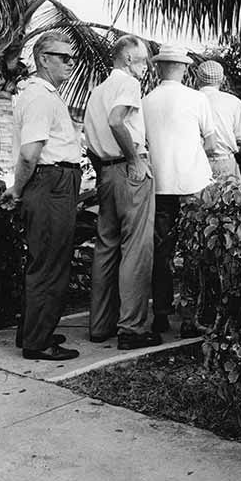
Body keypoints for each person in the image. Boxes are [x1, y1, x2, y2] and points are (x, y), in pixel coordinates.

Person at [0, 32, 82, 361]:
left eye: (71, 57)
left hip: (53, 182)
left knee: (44, 261)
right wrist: (17, 190)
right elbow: (30, 153)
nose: (70, 63)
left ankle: (33, 330)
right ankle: (38, 341)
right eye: (63, 57)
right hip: (51, 182)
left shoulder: (43, 95)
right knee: (50, 264)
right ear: (43, 59)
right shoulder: (41, 97)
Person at [84, 35, 161, 350]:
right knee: (136, 248)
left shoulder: (97, 91)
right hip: (130, 169)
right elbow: (117, 121)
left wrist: (107, 168)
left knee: (106, 247)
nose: (145, 67)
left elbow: (90, 139)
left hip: (105, 172)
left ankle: (100, 324)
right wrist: (133, 159)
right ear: (129, 59)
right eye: (142, 60)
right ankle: (132, 328)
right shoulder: (128, 84)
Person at [142, 44, 215, 337]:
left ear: (158, 69)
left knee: (162, 252)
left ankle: (160, 312)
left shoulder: (146, 100)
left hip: (160, 184)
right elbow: (210, 144)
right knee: (195, 253)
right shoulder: (196, 99)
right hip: (192, 183)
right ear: (184, 69)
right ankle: (190, 317)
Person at [195, 60, 241, 182]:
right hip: (226, 162)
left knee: (197, 200)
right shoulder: (234, 102)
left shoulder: (189, 100)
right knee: (229, 199)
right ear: (222, 79)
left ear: (198, 79)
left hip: (196, 163)